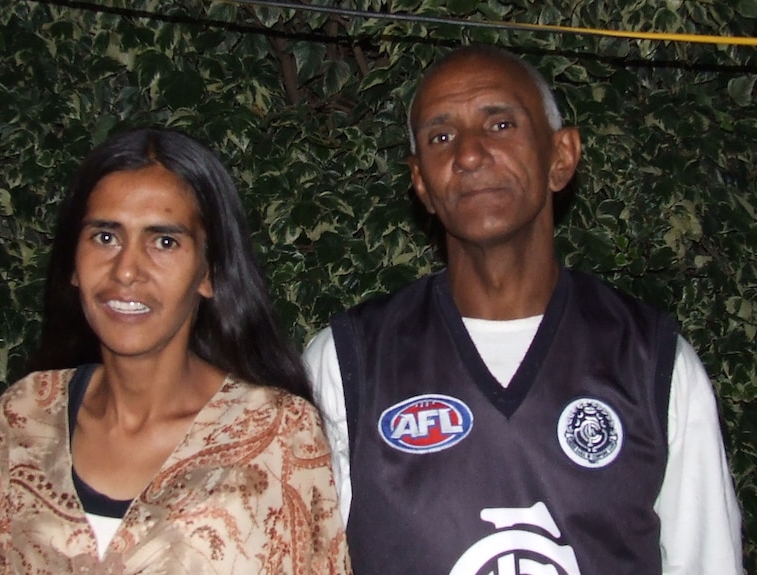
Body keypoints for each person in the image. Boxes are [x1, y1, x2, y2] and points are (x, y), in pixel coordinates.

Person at [304, 45, 742, 574]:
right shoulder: (349, 362)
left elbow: (707, 561)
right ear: (420, 181)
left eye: (501, 124)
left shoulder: (653, 360)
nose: (467, 155)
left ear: (561, 156)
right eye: (440, 137)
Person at [0, 127, 351, 574]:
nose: (127, 270)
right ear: (72, 264)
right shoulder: (24, 416)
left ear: (208, 273)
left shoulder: (276, 433)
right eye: (105, 237)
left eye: (164, 242)